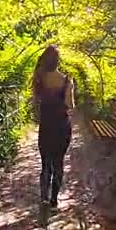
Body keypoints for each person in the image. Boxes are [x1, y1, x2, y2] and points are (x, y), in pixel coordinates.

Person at [32, 45, 74, 209]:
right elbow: (70, 105)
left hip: (46, 126)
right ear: (58, 61)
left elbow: (35, 103)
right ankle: (54, 200)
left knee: (45, 164)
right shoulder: (66, 79)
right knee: (58, 163)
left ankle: (44, 197)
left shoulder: (39, 78)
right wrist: (69, 88)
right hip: (62, 126)